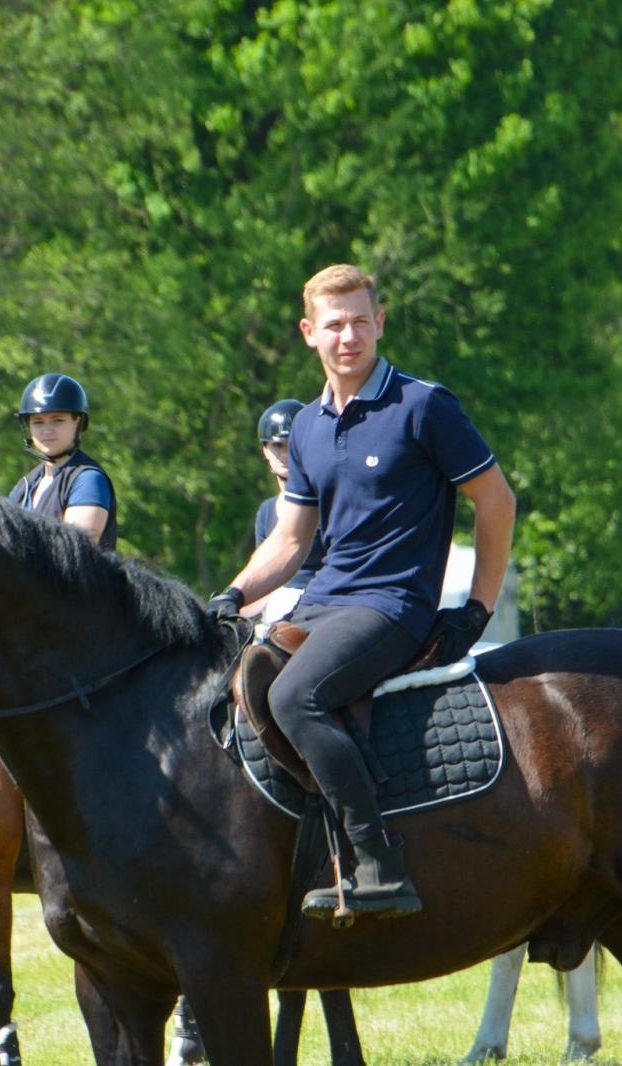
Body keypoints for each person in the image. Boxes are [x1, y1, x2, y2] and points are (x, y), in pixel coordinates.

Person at [208, 264, 516, 922]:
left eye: (359, 321)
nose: (348, 335)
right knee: (248, 681)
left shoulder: (423, 405)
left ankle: (377, 859)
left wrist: (478, 606)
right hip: (321, 601)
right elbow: (291, 541)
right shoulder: (310, 428)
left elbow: (495, 501)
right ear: (308, 332)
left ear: (379, 323)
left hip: (391, 606)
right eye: (334, 324)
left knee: (298, 695)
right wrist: (231, 594)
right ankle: (318, 835)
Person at [7, 373, 117, 549]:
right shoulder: (25, 485)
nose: (46, 430)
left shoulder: (88, 480)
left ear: (77, 422)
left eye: (57, 420)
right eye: (38, 422)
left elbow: (75, 554)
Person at [245, 398, 326, 626]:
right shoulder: (266, 511)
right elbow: (265, 579)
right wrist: (231, 607)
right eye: (276, 445)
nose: (284, 453)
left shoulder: (330, 502)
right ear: (265, 451)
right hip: (276, 610)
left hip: (322, 607)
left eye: (291, 445)